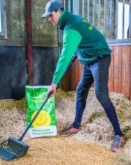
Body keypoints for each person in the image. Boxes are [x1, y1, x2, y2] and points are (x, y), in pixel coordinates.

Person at [42, 0, 124, 152]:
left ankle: (119, 134)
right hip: (89, 58)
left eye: (50, 15)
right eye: (47, 16)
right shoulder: (71, 21)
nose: (49, 19)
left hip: (99, 57)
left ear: (59, 11)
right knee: (81, 90)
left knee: (100, 93)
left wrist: (54, 83)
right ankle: (76, 126)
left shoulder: (71, 28)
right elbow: (81, 42)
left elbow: (64, 57)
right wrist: (77, 53)